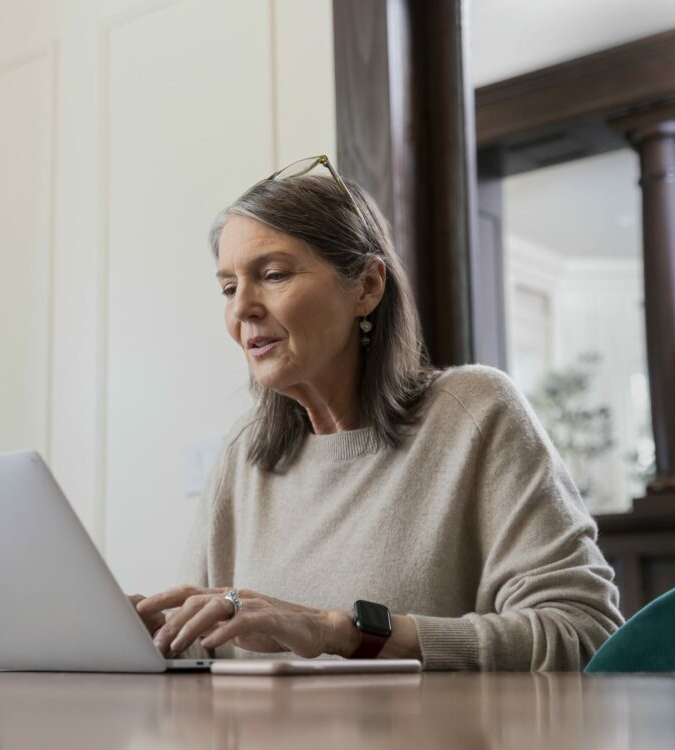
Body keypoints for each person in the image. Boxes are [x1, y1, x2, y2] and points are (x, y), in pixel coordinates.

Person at [130, 155, 624, 671]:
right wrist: (143, 634)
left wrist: (338, 632)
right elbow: (199, 653)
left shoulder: (476, 412)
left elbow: (585, 633)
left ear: (367, 286)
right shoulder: (243, 454)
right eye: (229, 287)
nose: (241, 309)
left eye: (272, 275)